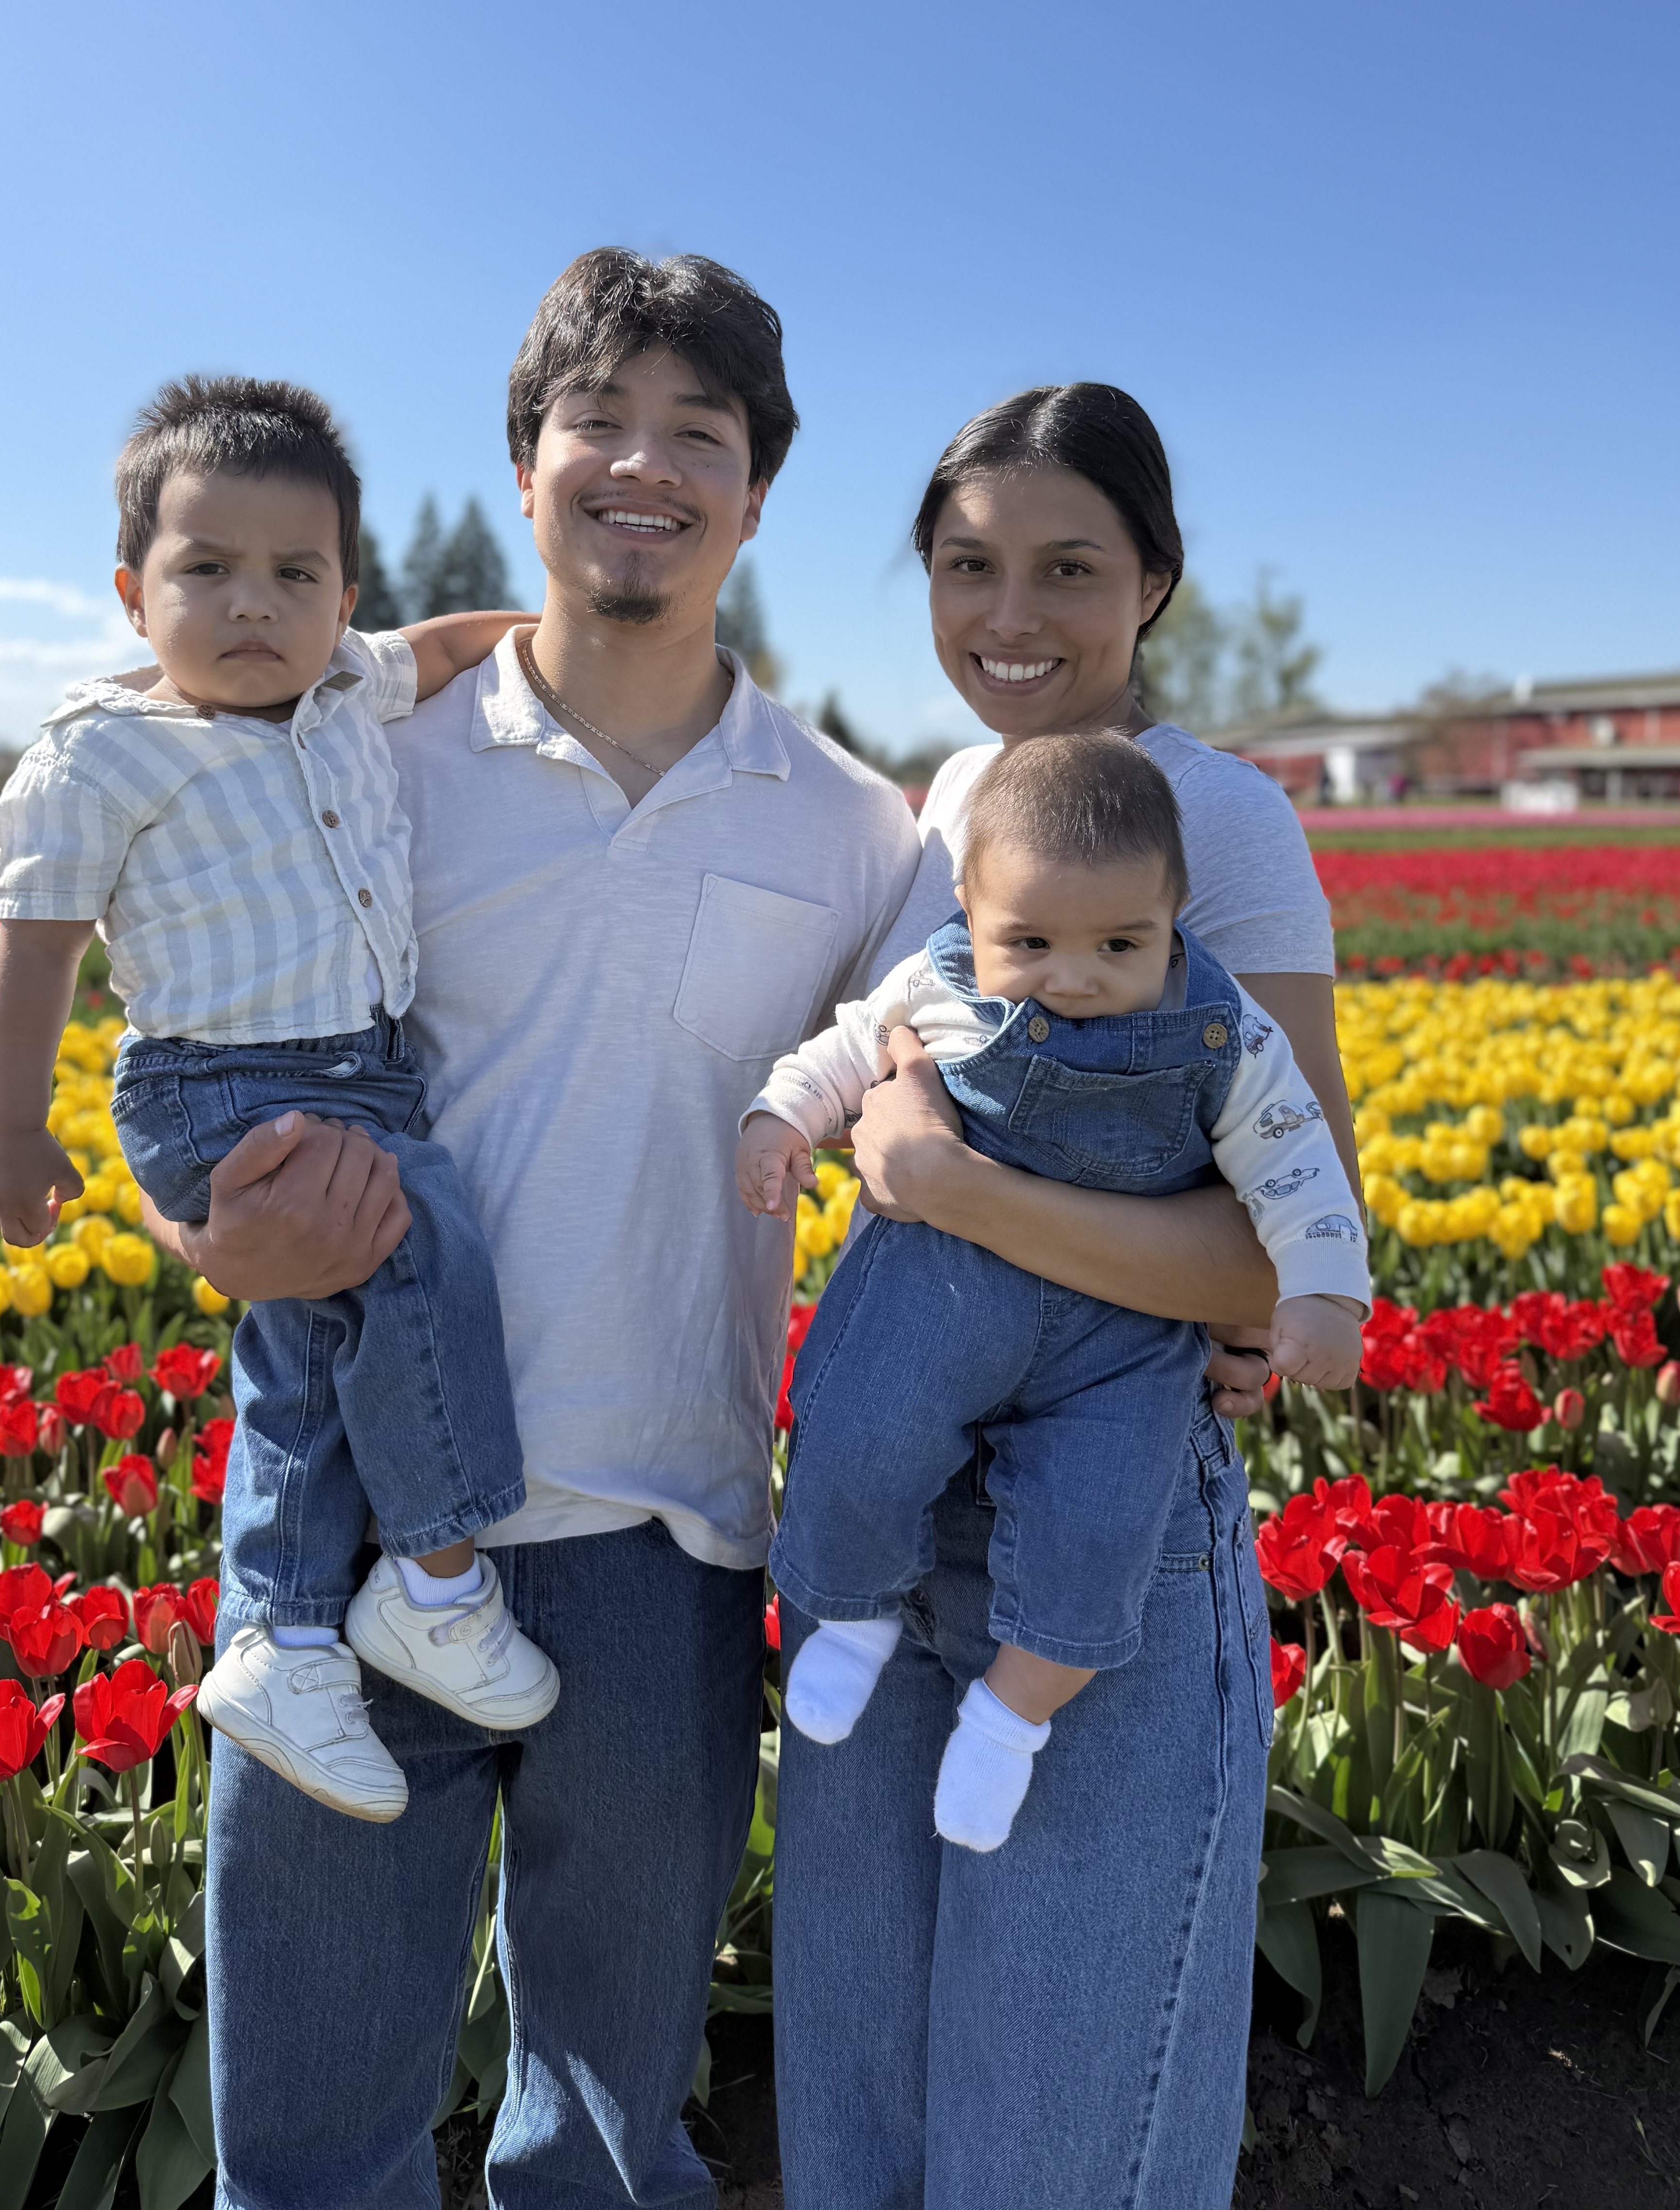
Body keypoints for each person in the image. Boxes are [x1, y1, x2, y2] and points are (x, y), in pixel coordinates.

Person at [146, 253, 927, 2210]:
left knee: (604, 2138)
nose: (643, 465)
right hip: (350, 1534)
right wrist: (210, 1248)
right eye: (601, 420)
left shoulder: (854, 831)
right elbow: (183, 1070)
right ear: (525, 462)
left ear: (759, 494)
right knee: (315, 2147)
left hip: (662, 1548)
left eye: (701, 434)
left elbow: (972, 1095)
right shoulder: (359, 765)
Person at [772, 381, 1359, 2210]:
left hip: (1100, 1540)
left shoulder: (1217, 817)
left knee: (1051, 2152)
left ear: (1156, 584)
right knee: (862, 2124)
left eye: (1067, 568)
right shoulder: (950, 797)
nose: (1007, 616)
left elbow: (1274, 1246)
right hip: (889, 1517)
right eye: (966, 567)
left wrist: (949, 1184)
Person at [0, 375, 557, 1826]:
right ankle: (435, 1579)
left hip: (356, 1062)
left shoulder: (347, 685)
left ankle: (286, 1640)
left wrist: (543, 637)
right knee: (420, 1247)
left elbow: (438, 647)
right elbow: (35, 950)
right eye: (206, 570)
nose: (254, 605)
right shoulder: (103, 756)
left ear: (341, 590)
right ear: (132, 593)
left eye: (294, 574)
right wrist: (11, 1129)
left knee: (307, 1357)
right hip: (220, 1077)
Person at [741, 728, 1364, 1851]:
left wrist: (1322, 1293)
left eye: (1119, 944)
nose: (1072, 979)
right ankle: (851, 1613)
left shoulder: (1222, 1030)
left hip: (1120, 1347)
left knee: (1102, 1529)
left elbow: (1296, 1156)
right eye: (1026, 941)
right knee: (859, 1431)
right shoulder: (937, 983)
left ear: (1176, 918)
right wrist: (782, 1118)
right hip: (944, 1294)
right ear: (970, 918)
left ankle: (1013, 1718)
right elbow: (845, 1049)